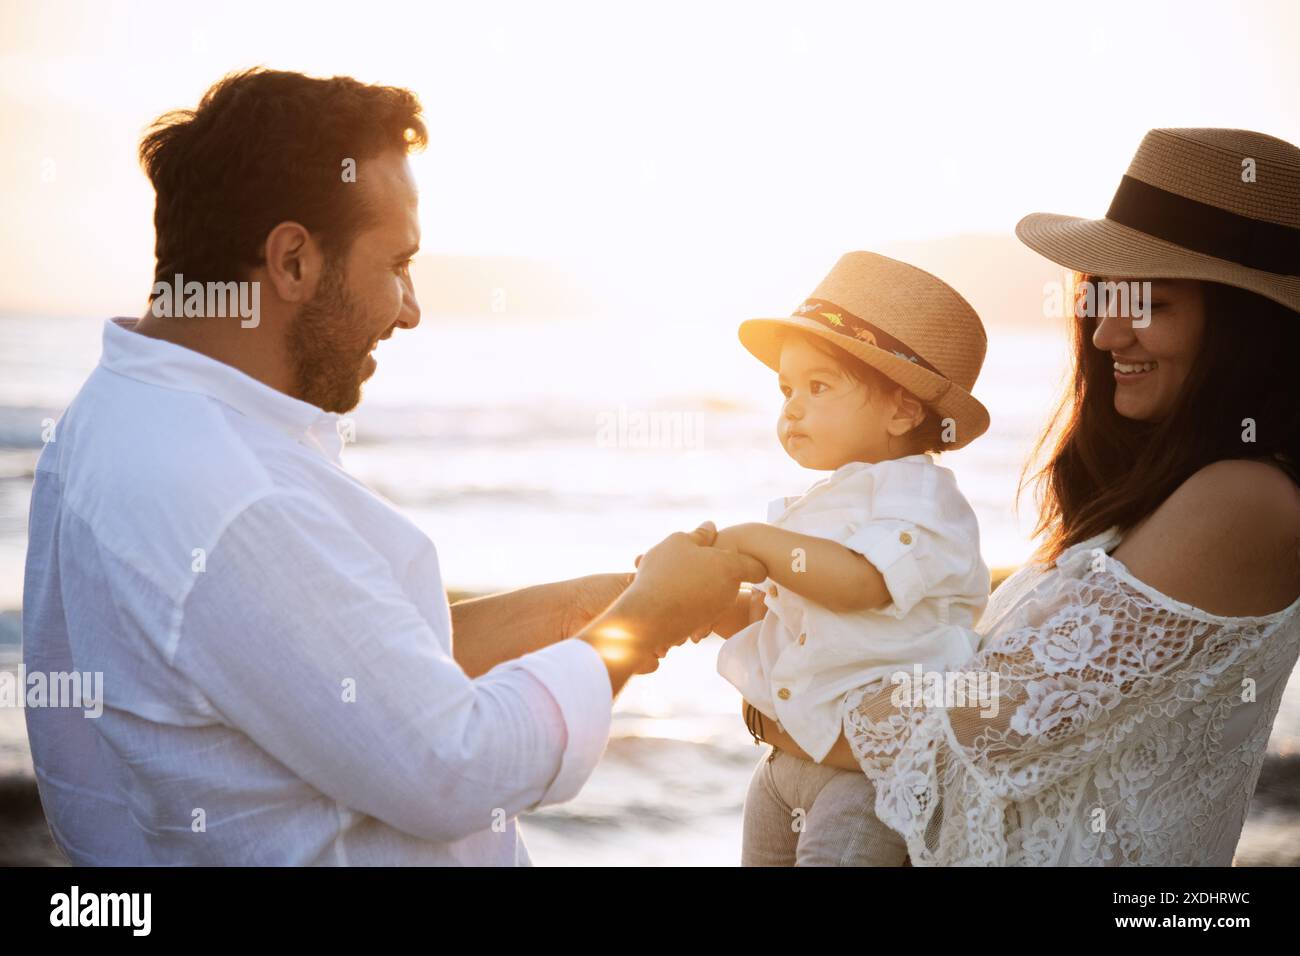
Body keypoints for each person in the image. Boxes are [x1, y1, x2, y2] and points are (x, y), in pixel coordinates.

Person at [20, 68, 765, 865]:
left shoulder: (115, 412)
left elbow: (350, 676)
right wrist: (641, 623)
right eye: (397, 264)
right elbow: (453, 764)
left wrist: (599, 603)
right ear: (294, 262)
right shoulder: (236, 497)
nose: (410, 308)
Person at [743, 128, 1300, 865]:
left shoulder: (1245, 500)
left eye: (1150, 306)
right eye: (1100, 299)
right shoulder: (1160, 499)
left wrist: (782, 704)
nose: (1105, 335)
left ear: (1244, 326)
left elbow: (969, 729)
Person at [701, 252, 991, 865]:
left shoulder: (921, 498)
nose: (791, 408)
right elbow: (804, 618)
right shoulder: (834, 497)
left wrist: (755, 540)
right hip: (788, 761)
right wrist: (718, 603)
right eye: (786, 389)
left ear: (903, 409)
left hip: (868, 775)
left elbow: (860, 585)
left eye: (818, 386)